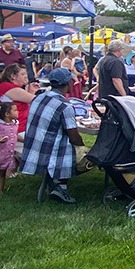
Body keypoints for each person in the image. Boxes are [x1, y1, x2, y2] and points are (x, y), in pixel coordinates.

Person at [19, 68, 85, 204]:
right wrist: (83, 147)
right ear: (68, 83)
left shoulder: (39, 97)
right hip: (49, 152)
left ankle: (57, 184)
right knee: (88, 156)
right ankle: (60, 186)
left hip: (32, 148)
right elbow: (74, 137)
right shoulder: (64, 105)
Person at [0, 64, 37, 145]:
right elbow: (39, 101)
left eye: (26, 74)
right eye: (23, 74)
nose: (26, 76)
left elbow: (31, 105)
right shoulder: (9, 88)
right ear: (13, 76)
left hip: (7, 128)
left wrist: (31, 92)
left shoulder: (3, 87)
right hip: (7, 130)